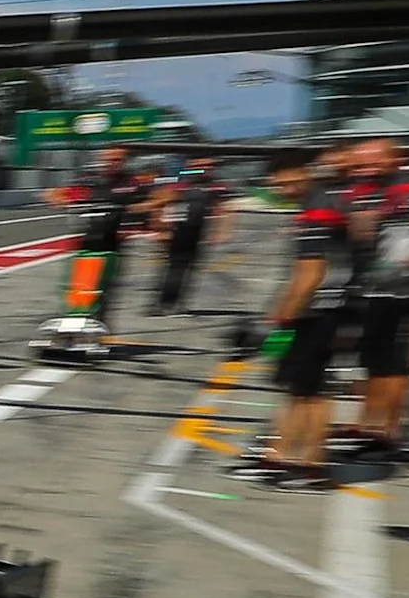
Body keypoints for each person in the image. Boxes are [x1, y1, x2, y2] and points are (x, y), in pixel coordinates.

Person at [231, 153, 346, 491]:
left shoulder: (317, 211)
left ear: (306, 173)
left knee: (310, 392)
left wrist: (276, 321)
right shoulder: (321, 203)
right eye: (279, 184)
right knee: (298, 388)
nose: (285, 188)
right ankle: (280, 455)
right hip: (321, 310)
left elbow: (308, 276)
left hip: (316, 312)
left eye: (290, 180)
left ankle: (310, 465)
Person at [333, 137, 409, 458]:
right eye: (358, 163)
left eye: (372, 162)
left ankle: (386, 432)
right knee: (374, 362)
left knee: (392, 364)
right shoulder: (376, 189)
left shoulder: (408, 188)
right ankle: (368, 424)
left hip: (401, 292)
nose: (363, 169)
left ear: (395, 159)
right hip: (377, 290)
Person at [71, 145, 149, 329]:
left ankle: (97, 328)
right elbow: (70, 197)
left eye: (116, 160)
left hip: (114, 245)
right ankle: (74, 326)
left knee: (104, 291)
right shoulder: (88, 179)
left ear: (124, 161)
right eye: (108, 159)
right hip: (87, 242)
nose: (111, 163)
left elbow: (148, 204)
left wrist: (131, 217)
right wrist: (61, 198)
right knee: (80, 289)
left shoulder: (132, 183)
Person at [152, 155, 223, 313]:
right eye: (203, 165)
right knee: (172, 269)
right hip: (177, 232)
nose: (208, 169)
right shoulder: (180, 186)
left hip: (197, 232)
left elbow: (218, 210)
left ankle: (178, 302)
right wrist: (162, 229)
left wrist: (216, 232)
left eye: (210, 166)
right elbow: (161, 205)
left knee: (189, 269)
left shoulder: (212, 188)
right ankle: (162, 303)